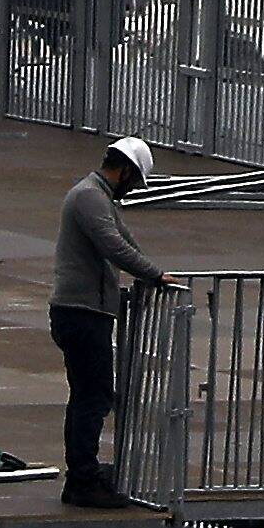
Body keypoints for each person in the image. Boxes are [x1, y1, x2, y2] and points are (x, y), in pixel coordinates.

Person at [52, 136, 171, 507]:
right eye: (134, 181)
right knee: (94, 396)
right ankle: (82, 481)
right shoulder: (89, 196)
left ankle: (82, 472)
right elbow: (113, 246)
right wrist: (155, 275)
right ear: (124, 171)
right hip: (81, 313)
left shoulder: (99, 197)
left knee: (88, 394)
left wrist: (149, 268)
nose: (132, 189)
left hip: (89, 312)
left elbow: (125, 240)